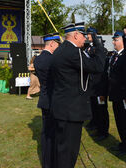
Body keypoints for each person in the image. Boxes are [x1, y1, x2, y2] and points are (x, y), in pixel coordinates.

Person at [50, 22, 105, 168]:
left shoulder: (60, 50)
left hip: (61, 107)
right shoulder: (73, 53)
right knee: (68, 152)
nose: (85, 39)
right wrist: (99, 46)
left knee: (61, 149)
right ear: (75, 35)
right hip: (71, 110)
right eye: (83, 36)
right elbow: (97, 67)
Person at [33, 33, 62, 168]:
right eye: (57, 45)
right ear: (52, 44)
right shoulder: (53, 60)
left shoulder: (38, 60)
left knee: (45, 134)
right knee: (54, 134)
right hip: (54, 100)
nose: (58, 48)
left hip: (44, 99)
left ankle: (46, 162)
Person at [107, 30, 126, 156]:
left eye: (116, 39)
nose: (113, 42)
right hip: (116, 94)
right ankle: (123, 142)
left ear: (123, 41)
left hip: (124, 96)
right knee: (119, 120)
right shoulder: (115, 55)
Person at [86, 27, 109, 141]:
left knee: (102, 110)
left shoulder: (101, 51)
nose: (87, 36)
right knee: (94, 107)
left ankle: (103, 131)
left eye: (89, 35)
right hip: (92, 84)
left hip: (100, 85)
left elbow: (102, 70)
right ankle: (96, 124)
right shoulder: (90, 49)